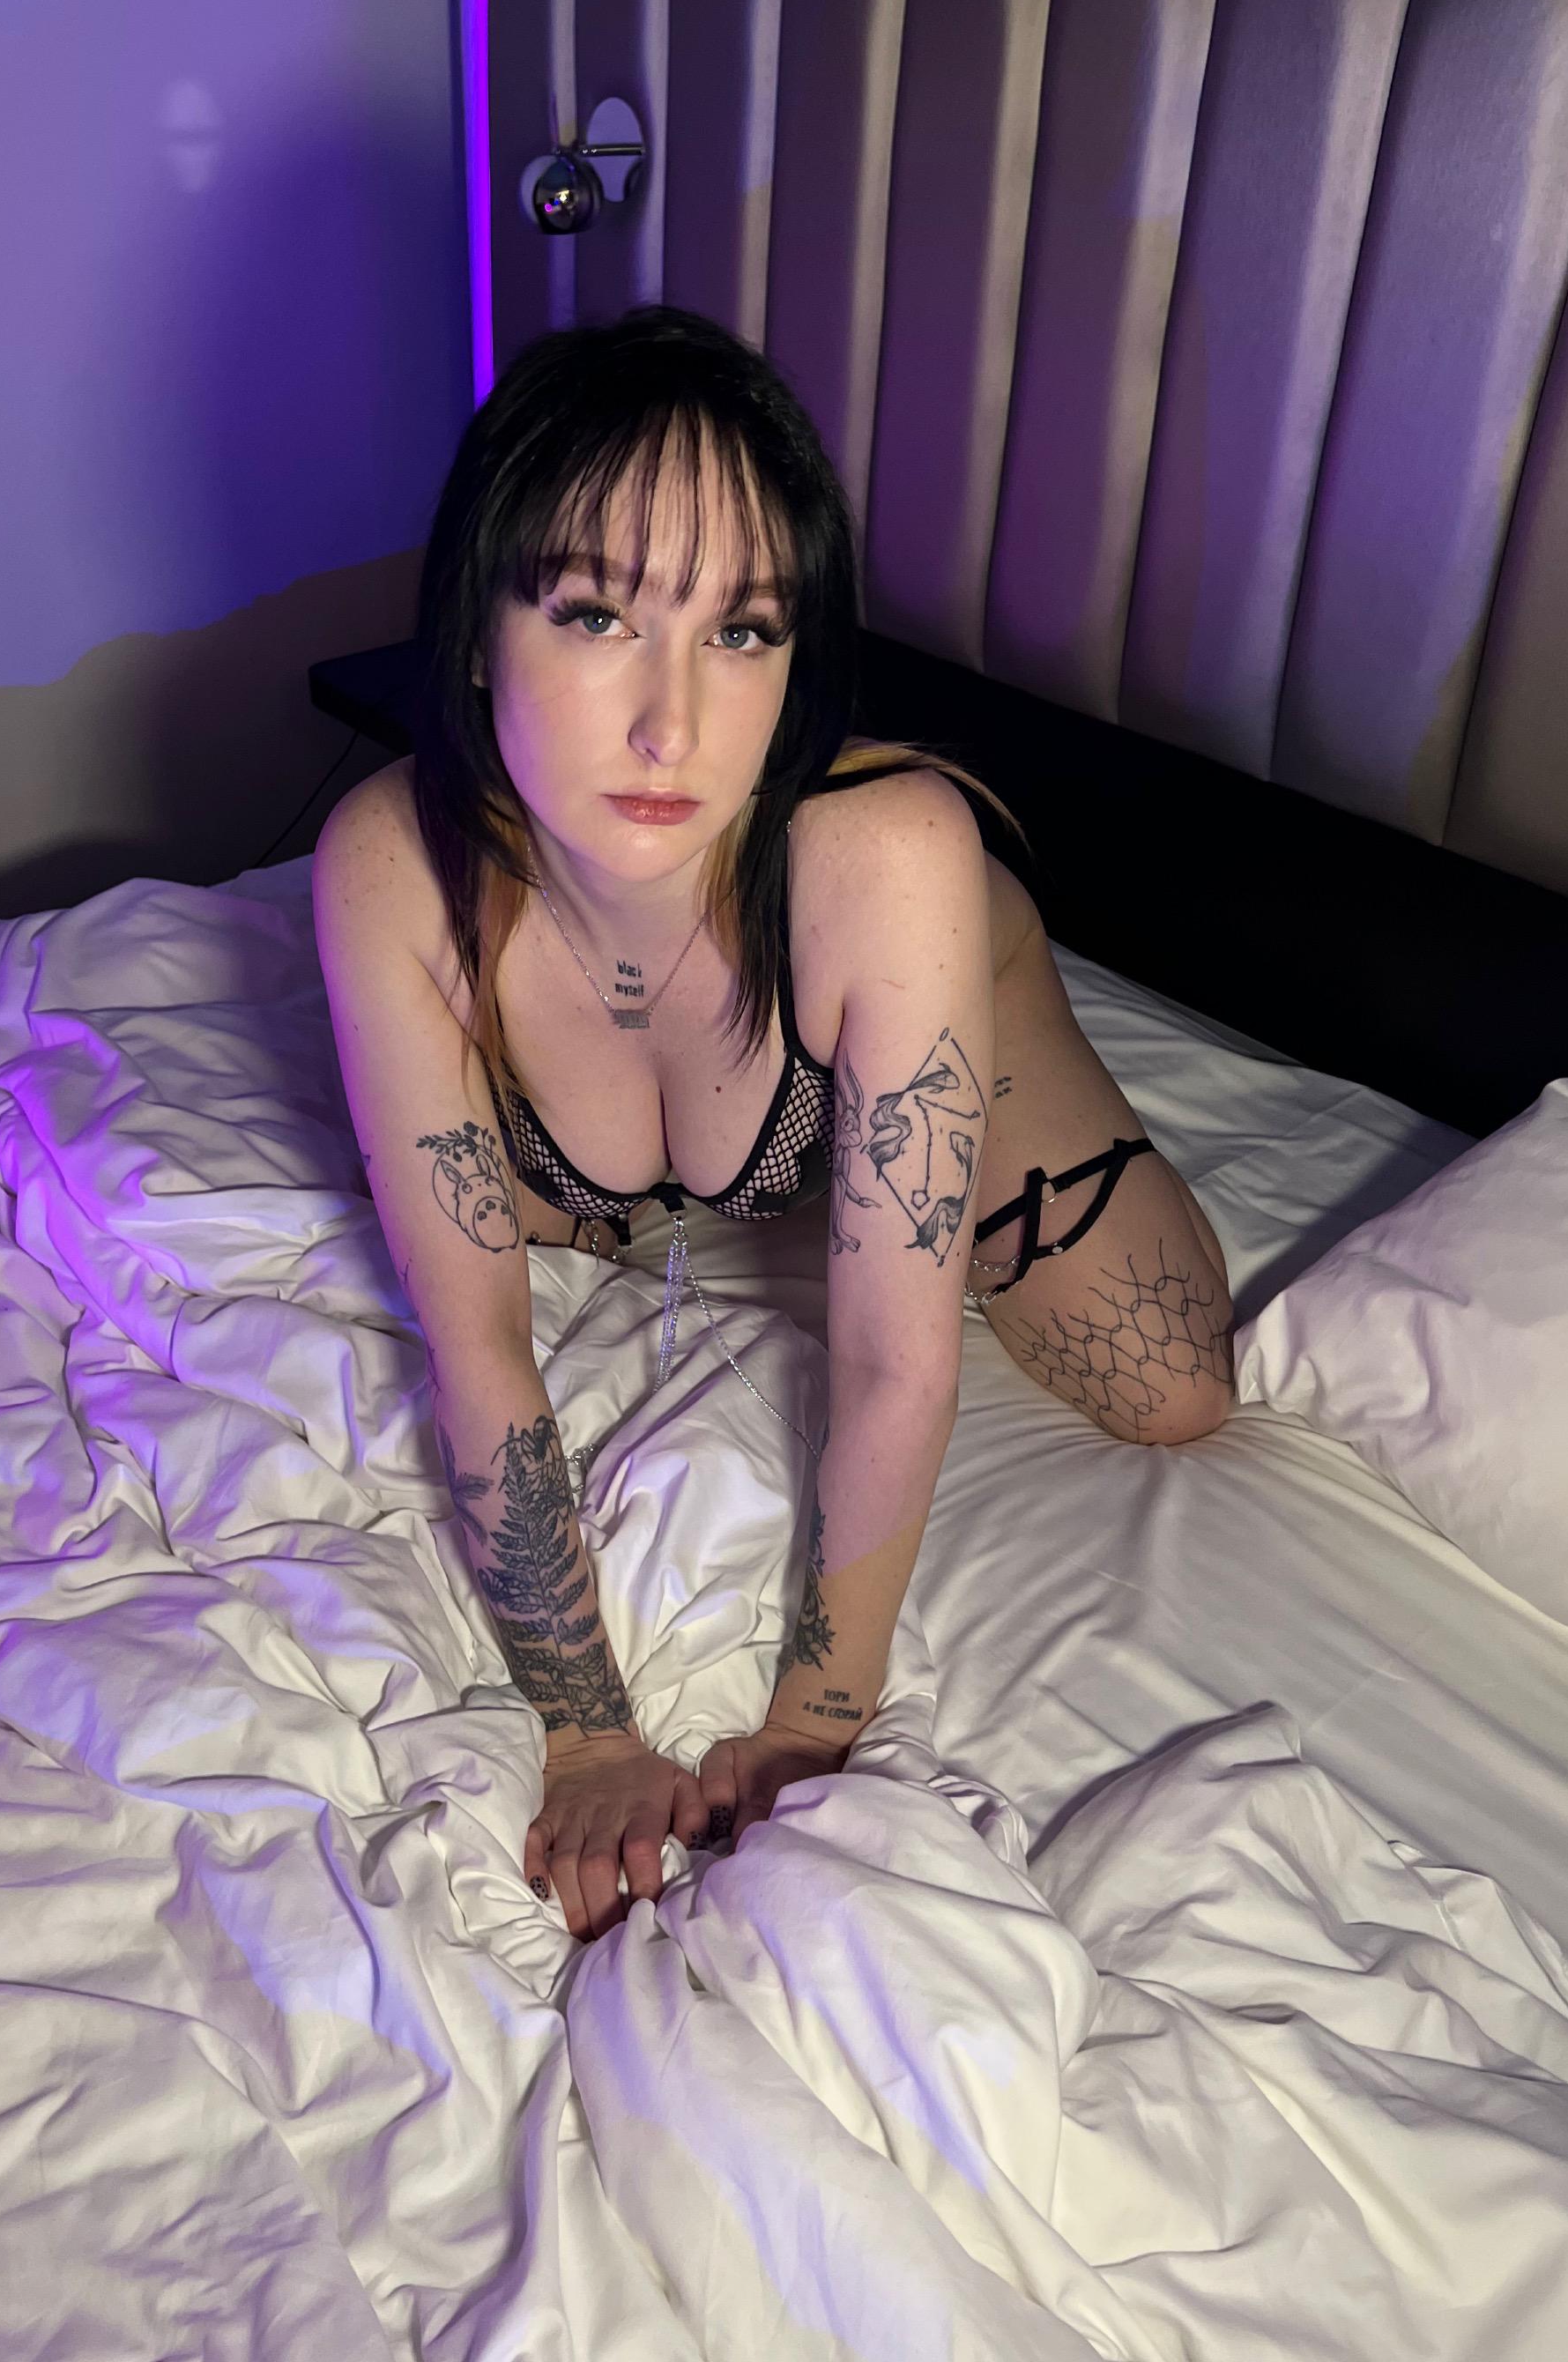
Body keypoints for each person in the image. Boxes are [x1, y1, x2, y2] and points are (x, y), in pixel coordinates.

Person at [312, 308, 1230, 1945]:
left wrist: (815, 1722)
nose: (672, 726)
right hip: (661, 1084)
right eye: (597, 613)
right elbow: (479, 1340)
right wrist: (589, 1736)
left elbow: (895, 1357)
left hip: (922, 979)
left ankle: (965, 1005)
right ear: (477, 631)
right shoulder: (395, 862)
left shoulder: (889, 855)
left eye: (741, 631)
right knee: (540, 1209)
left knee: (1167, 1385)